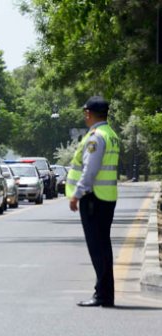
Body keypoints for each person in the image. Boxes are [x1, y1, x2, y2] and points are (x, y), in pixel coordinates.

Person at [65, 96, 120, 308]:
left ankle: (103, 294)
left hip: (94, 198)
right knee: (103, 247)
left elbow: (90, 170)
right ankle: (104, 292)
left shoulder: (96, 137)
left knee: (98, 248)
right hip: (107, 197)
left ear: (88, 113)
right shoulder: (111, 134)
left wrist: (77, 194)